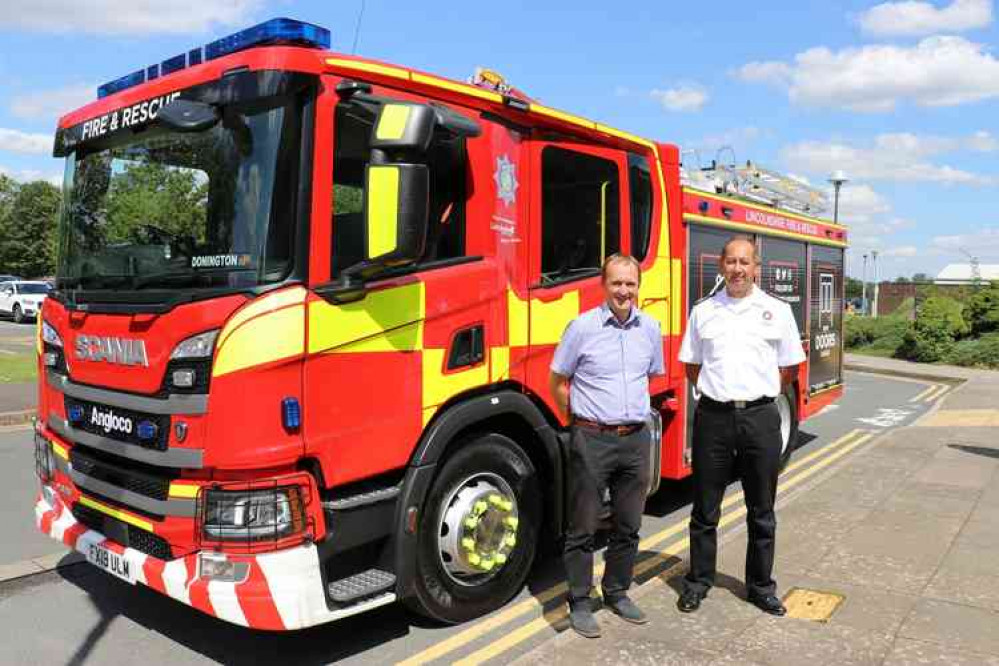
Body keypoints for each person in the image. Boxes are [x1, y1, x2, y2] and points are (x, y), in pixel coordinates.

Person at [676, 235, 805, 616]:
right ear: (721, 266)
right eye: (731, 262)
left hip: (761, 418)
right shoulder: (703, 311)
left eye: (744, 262)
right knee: (704, 510)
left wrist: (757, 397)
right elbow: (691, 366)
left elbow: (789, 368)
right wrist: (719, 394)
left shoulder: (777, 311)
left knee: (761, 509)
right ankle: (699, 580)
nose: (737, 269)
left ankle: (761, 587)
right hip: (713, 418)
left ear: (756, 268)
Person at [549, 253, 665, 638]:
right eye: (616, 283)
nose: (623, 291)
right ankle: (580, 601)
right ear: (603, 285)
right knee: (582, 527)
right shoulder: (581, 327)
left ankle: (617, 591)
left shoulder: (650, 328)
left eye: (630, 284)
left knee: (629, 525)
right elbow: (559, 381)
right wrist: (579, 424)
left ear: (638, 287)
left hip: (635, 440)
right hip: (592, 437)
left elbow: (650, 376)